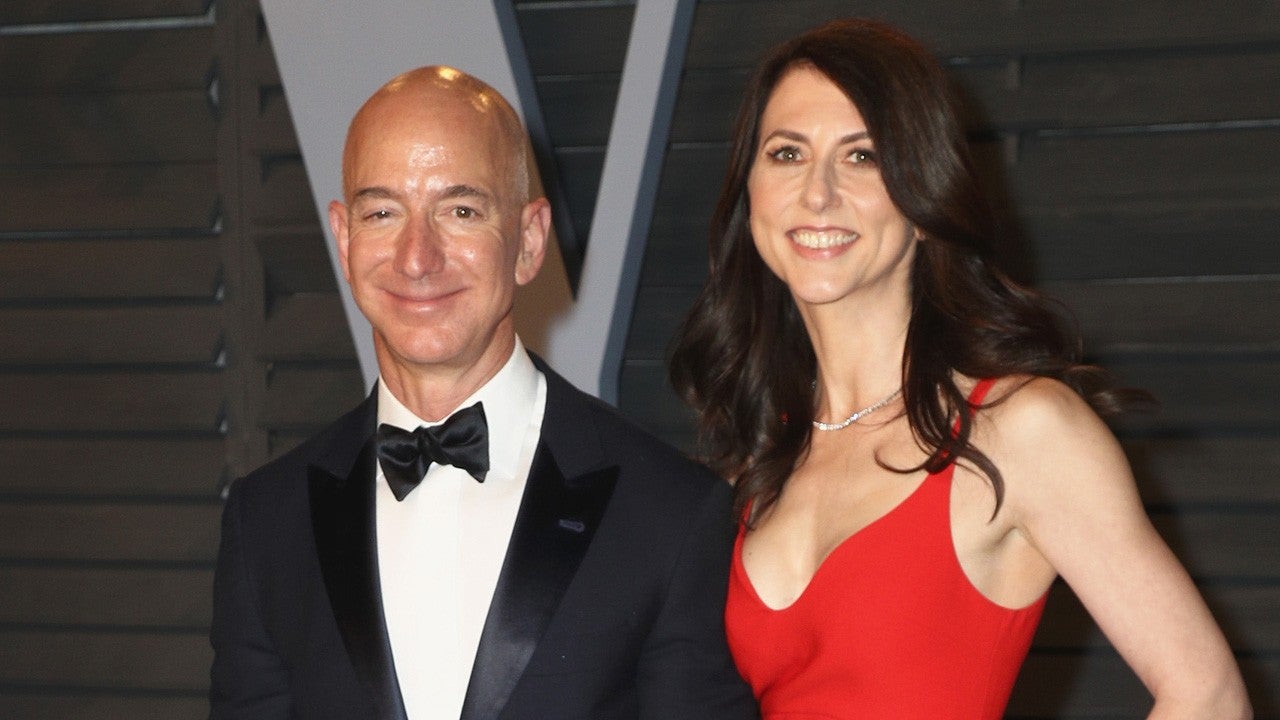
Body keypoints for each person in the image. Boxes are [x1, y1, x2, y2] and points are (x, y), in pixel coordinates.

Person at [669, 18, 1250, 720]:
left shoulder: (1021, 430)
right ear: (751, 193)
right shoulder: (755, 458)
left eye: (863, 157)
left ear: (924, 199)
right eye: (787, 153)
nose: (817, 193)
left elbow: (1209, 696)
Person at [210, 66, 758, 720]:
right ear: (345, 238)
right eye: (383, 212)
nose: (417, 257)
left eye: (461, 211)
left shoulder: (671, 513)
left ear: (528, 241)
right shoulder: (266, 521)